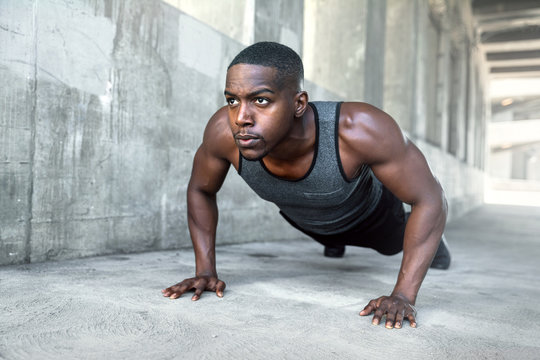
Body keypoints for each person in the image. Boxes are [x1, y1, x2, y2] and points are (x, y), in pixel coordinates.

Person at [162, 42, 451, 329]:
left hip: (371, 218)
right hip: (307, 220)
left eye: (261, 100)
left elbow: (431, 198)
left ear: (299, 103)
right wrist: (205, 270)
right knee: (327, 236)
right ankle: (333, 241)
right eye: (232, 100)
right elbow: (201, 189)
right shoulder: (223, 134)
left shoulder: (359, 128)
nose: (241, 118)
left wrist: (403, 295)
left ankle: (435, 243)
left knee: (392, 244)